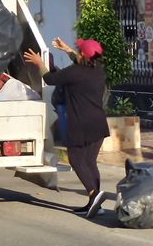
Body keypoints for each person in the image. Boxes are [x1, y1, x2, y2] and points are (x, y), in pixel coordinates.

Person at [23, 39, 109, 217]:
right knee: (90, 162)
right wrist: (68, 50)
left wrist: (39, 63)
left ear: (83, 55)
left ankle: (94, 194)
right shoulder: (98, 70)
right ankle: (95, 204)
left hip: (81, 123)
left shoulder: (74, 72)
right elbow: (82, 59)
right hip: (98, 123)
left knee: (76, 159)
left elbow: (50, 79)